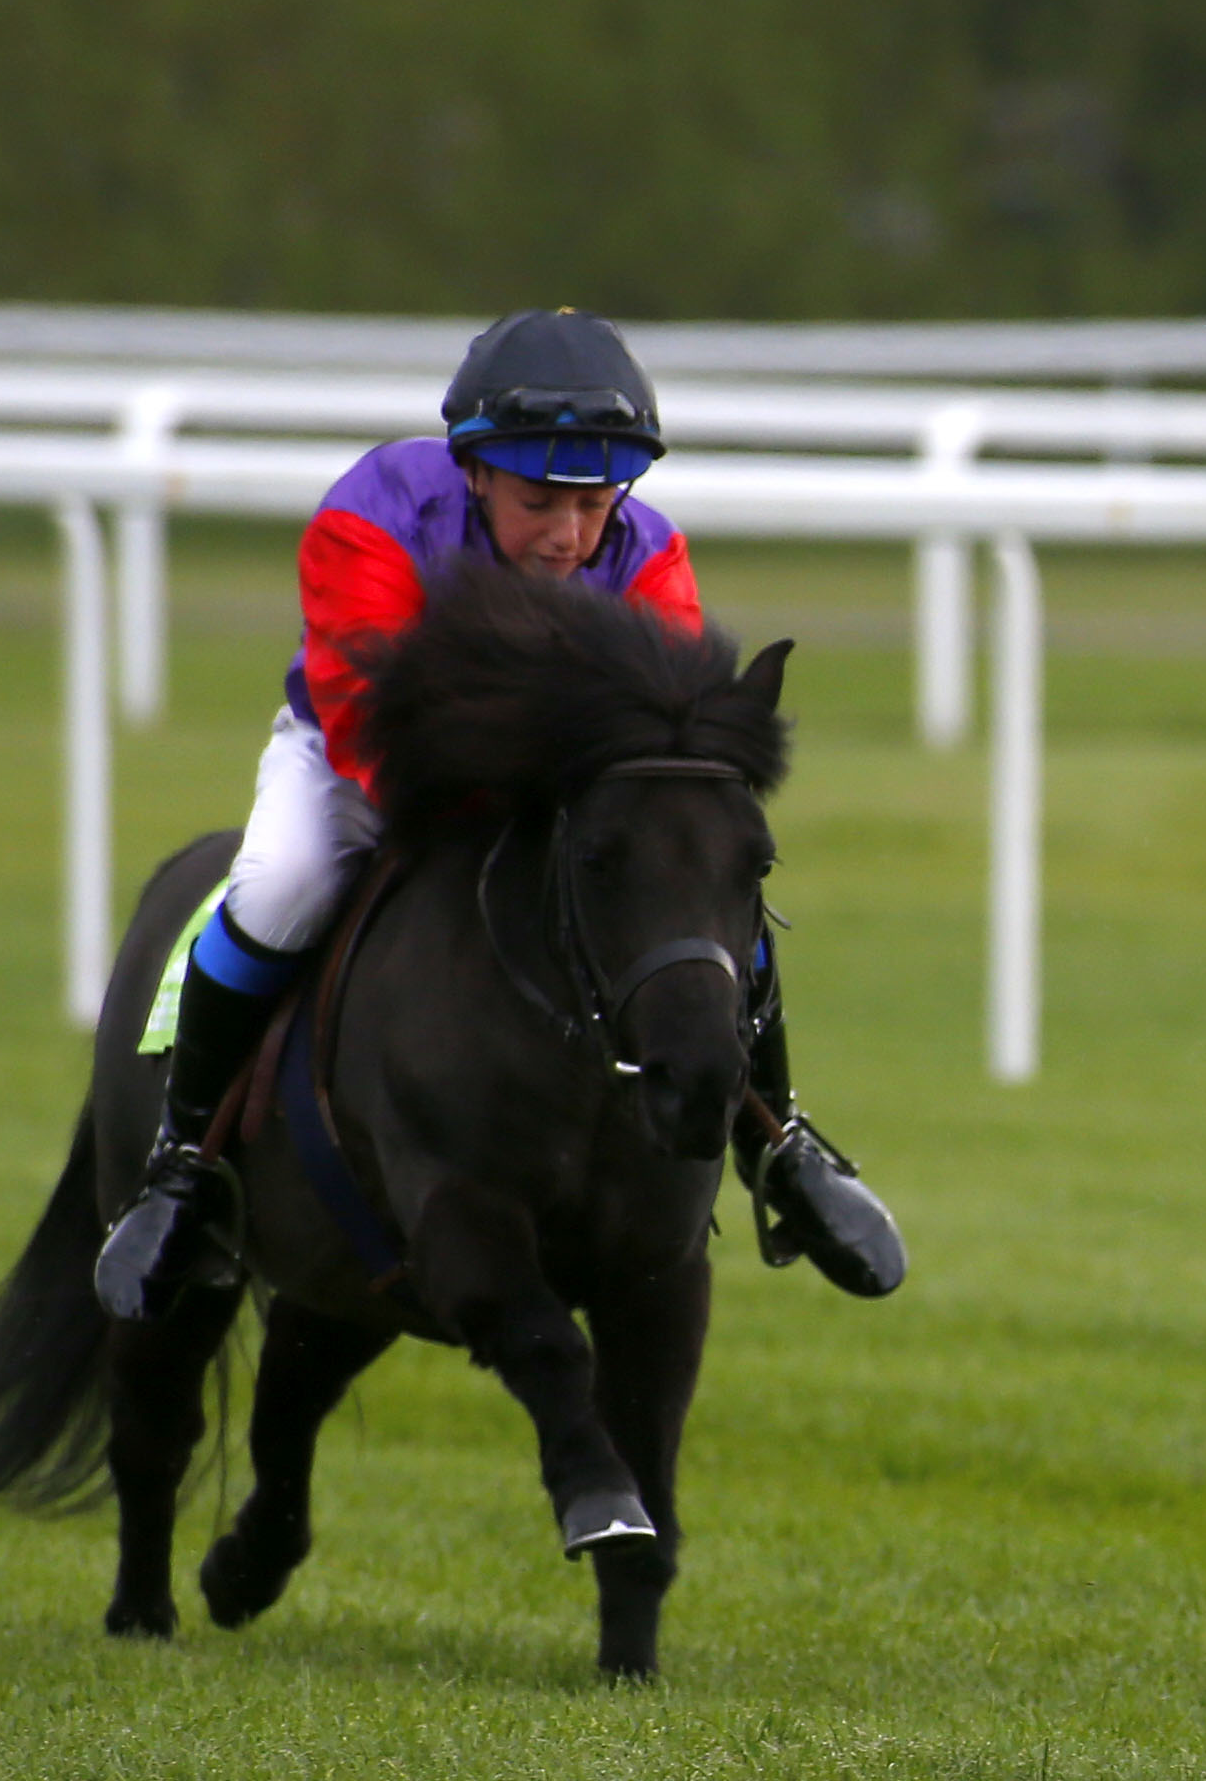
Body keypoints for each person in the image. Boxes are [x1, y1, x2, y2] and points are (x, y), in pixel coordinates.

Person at [88, 309, 904, 1323]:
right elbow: (370, 714)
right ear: (473, 472)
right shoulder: (371, 514)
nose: (569, 537)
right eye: (538, 502)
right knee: (279, 888)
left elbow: (669, 738)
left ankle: (779, 1145)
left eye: (594, 501)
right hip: (358, 762)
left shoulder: (651, 556)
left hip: (559, 791)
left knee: (699, 906)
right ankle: (182, 1167)